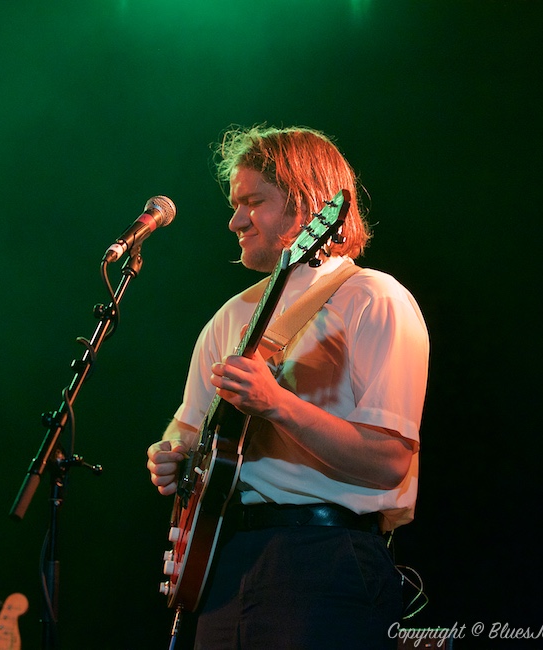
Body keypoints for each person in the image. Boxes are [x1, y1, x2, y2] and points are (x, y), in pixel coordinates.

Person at [146, 125, 430, 649]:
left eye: (253, 202)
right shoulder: (230, 318)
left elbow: (390, 460)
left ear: (307, 204)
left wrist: (276, 404)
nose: (235, 221)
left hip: (326, 560)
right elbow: (187, 428)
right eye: (235, 204)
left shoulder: (373, 298)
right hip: (223, 566)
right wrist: (171, 453)